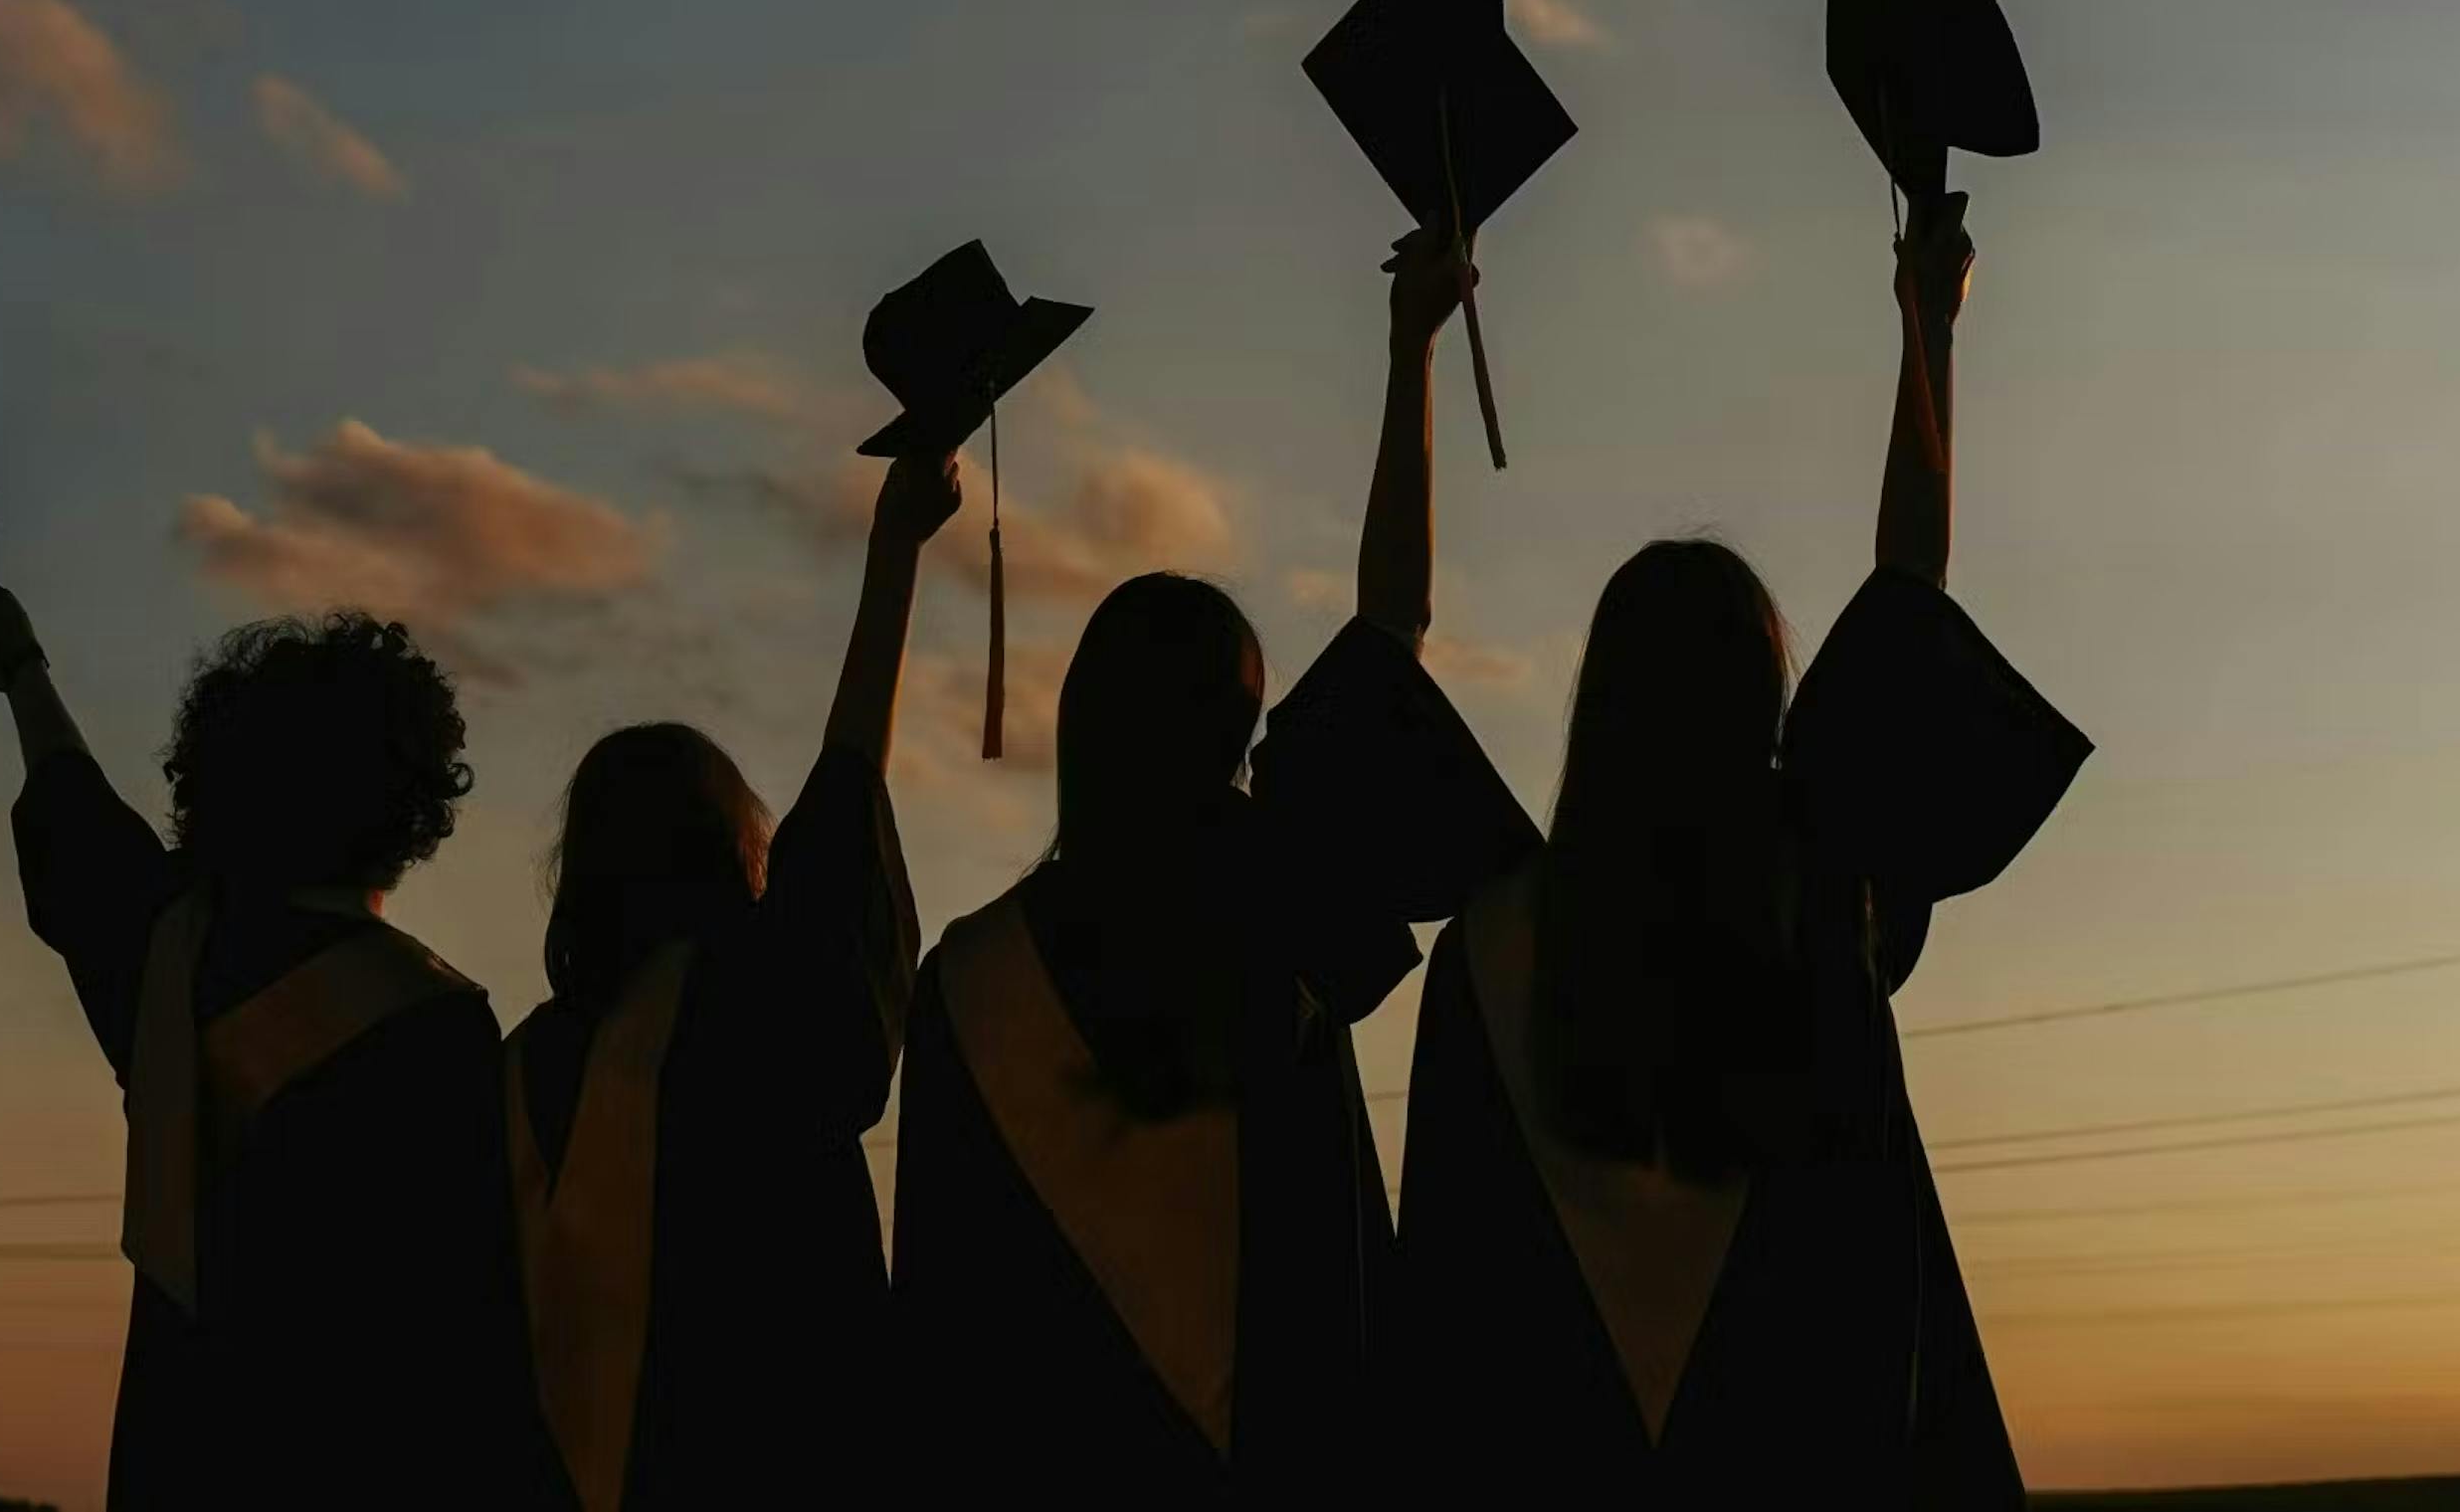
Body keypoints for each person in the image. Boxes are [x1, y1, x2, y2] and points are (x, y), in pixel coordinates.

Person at [1391, 193, 2094, 1501]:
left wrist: (1408, 349)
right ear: (1765, 706)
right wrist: (1928, 329)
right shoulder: (1818, 897)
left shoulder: (1488, 948)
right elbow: (1908, 607)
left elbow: (1443, 1304)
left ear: (1596, 703)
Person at [891, 230, 1537, 1510]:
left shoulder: (970, 979)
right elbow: (1388, 631)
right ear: (1240, 736)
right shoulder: (1279, 888)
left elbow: (939, 1326)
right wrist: (1409, 352)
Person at [0, 573, 562, 1510]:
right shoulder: (437, 1028)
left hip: (182, 1456)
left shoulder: (168, 956)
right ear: (413, 800)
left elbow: (77, 824)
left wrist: (18, 663)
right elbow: (477, 1335)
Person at [498, 441, 962, 1512]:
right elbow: (847, 794)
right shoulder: (752, 1000)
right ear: (733, 850)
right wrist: (893, 555)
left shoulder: (524, 1064)